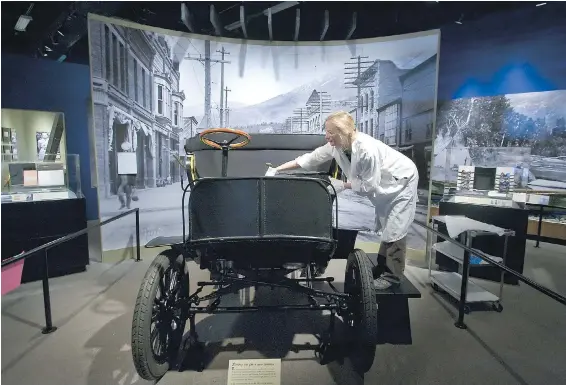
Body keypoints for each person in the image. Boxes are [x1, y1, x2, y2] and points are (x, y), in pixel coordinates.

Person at [266, 111, 419, 290]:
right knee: (387, 226)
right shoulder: (337, 146)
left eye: (330, 132)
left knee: (395, 228)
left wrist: (343, 185)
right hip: (384, 185)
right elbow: (309, 159)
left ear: (343, 132)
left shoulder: (366, 150)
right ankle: (381, 267)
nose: (326, 136)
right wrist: (278, 169)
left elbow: (369, 186)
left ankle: (392, 277)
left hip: (401, 183)